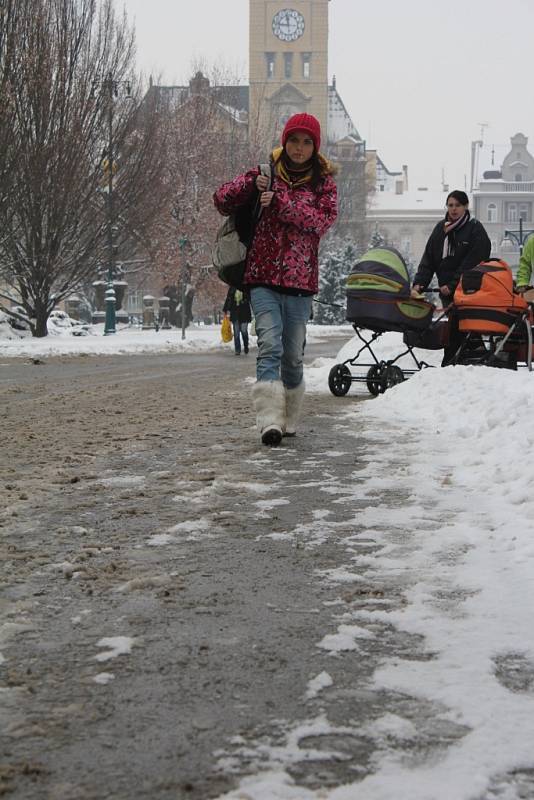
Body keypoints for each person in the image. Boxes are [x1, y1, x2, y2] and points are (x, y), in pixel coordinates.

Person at [214, 113, 337, 446]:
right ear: (284, 142)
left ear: (315, 146)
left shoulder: (324, 183)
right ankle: (269, 419)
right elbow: (221, 200)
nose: (299, 148)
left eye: (306, 141)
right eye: (293, 140)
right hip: (262, 277)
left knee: (292, 355)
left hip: (300, 283)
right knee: (269, 345)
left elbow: (321, 222)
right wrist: (250, 185)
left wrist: (281, 203)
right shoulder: (266, 172)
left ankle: (289, 415)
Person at [412, 189, 491, 365]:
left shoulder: (475, 229)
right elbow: (429, 259)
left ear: (466, 206)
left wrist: (454, 284)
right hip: (447, 291)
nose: (453, 209)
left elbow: (473, 262)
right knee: (459, 326)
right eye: (450, 205)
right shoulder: (441, 229)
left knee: (460, 325)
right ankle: (475, 358)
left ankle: (451, 362)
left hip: (469, 290)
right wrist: (419, 283)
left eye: (458, 205)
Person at [223, 287, 252, 355]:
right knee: (236, 333)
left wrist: (245, 300)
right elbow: (228, 298)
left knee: (244, 331)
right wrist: (225, 310)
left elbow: (250, 298)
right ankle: (237, 349)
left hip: (244, 312)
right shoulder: (232, 288)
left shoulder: (246, 286)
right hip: (235, 312)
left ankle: (246, 346)